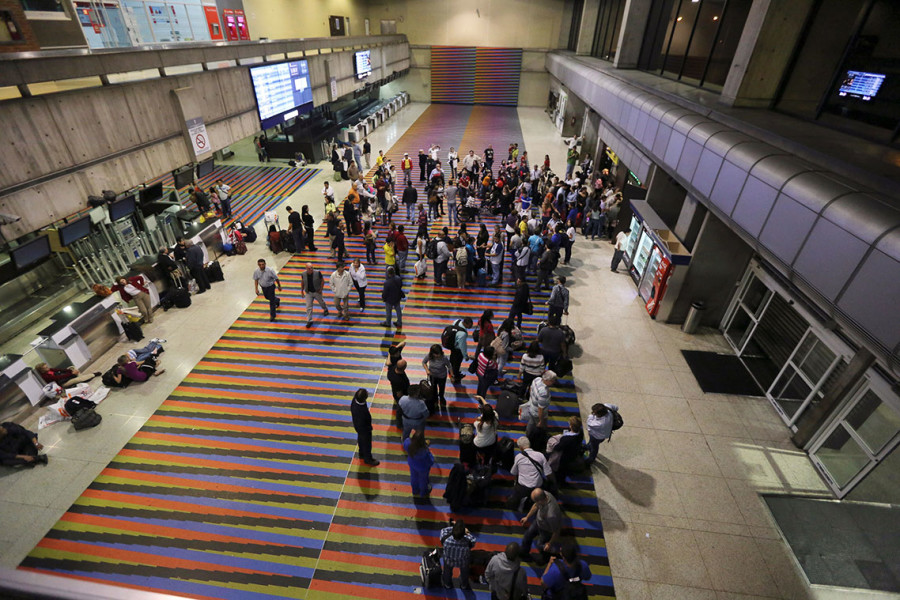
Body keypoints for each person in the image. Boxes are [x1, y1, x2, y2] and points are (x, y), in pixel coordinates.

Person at [508, 437, 552, 510]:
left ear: (521, 448)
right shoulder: (540, 455)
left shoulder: (518, 457)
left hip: (523, 487)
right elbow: (548, 472)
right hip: (537, 486)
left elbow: (513, 472)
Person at [521, 488, 563, 562]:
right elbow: (536, 505)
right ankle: (524, 554)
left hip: (546, 529)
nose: (534, 502)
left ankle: (548, 556)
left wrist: (549, 543)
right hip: (539, 522)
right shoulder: (544, 494)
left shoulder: (551, 515)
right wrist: (527, 517)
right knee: (527, 536)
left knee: (541, 546)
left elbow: (556, 531)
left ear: (540, 500)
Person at [440, 519, 477, 590]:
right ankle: (463, 585)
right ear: (463, 534)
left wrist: (454, 527)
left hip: (448, 560)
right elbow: (473, 540)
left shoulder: (445, 540)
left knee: (447, 572)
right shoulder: (467, 542)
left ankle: (447, 584)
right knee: (464, 573)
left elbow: (443, 531)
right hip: (462, 562)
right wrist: (466, 532)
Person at [350, 388, 379, 466]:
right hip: (364, 429)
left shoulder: (355, 401)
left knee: (360, 439)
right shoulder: (361, 411)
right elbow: (364, 421)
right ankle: (368, 459)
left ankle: (362, 453)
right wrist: (369, 428)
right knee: (367, 443)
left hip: (358, 427)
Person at [524, 370, 557, 437]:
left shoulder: (537, 379)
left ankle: (528, 434)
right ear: (547, 380)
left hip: (532, 407)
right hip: (537, 413)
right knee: (541, 426)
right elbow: (540, 409)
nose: (553, 382)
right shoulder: (544, 392)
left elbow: (530, 388)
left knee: (531, 422)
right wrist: (541, 421)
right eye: (552, 381)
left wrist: (533, 399)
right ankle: (542, 437)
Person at [404, 428, 435, 498]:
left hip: (412, 464)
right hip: (423, 467)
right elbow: (430, 460)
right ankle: (423, 492)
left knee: (413, 477)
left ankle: (415, 490)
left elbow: (406, 443)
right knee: (423, 480)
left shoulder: (408, 443)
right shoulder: (424, 450)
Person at [300, 263, 329, 328]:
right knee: (308, 307)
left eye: (312, 268)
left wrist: (321, 289)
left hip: (317, 292)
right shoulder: (303, 274)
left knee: (321, 302)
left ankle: (325, 309)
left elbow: (322, 281)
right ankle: (309, 320)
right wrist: (302, 291)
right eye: (309, 268)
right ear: (306, 269)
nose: (311, 269)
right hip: (308, 292)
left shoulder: (318, 273)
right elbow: (302, 282)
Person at [473, 396, 498, 464]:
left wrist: (479, 419)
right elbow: (488, 406)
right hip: (492, 442)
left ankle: (479, 457)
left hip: (479, 444)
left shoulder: (479, 424)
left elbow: (475, 422)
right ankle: (487, 460)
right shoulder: (495, 416)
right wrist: (481, 398)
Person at [448, 316, 473, 383]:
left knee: (452, 359)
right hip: (457, 349)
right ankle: (455, 376)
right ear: (466, 323)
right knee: (457, 364)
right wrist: (465, 356)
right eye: (470, 325)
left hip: (452, 345)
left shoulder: (457, 321)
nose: (471, 327)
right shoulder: (463, 334)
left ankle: (451, 371)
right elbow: (462, 346)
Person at [35, 363, 99, 386]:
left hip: (64, 378)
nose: (47, 367)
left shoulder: (50, 370)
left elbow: (60, 370)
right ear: (42, 370)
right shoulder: (46, 376)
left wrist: (70, 371)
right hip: (63, 383)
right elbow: (59, 378)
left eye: (47, 366)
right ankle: (93, 375)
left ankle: (80, 377)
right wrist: (71, 374)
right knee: (77, 379)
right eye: (45, 367)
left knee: (72, 367)